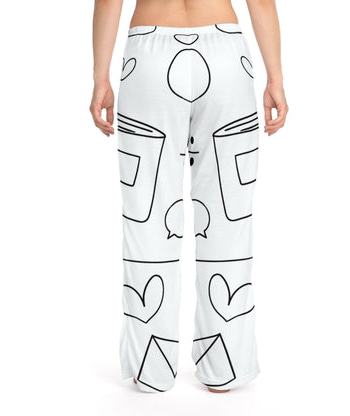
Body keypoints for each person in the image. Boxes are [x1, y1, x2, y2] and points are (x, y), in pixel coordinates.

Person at [89, 0, 288, 394]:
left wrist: (100, 76)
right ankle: (225, 366)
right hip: (226, 56)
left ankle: (151, 367)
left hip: (147, 58)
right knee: (229, 217)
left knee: (146, 217)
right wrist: (275, 78)